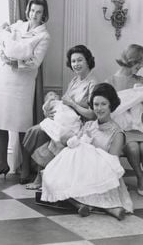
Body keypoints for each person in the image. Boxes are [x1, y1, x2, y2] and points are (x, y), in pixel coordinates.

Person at [41, 83, 133, 221]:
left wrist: (89, 151)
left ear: (111, 105)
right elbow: (75, 148)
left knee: (74, 184)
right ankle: (81, 205)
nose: (99, 108)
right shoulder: (89, 125)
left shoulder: (117, 133)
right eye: (96, 104)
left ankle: (106, 207)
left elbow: (112, 165)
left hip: (103, 174)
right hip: (83, 170)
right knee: (50, 177)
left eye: (103, 104)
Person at [21, 44, 97, 188]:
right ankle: (41, 173)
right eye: (73, 61)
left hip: (79, 125)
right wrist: (48, 112)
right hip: (64, 120)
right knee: (35, 131)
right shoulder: (74, 81)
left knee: (40, 132)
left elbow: (92, 114)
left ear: (88, 61)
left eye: (80, 60)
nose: (76, 64)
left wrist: (73, 105)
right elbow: (63, 103)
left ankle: (41, 176)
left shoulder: (92, 83)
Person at [0, 0, 50, 179]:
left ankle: (24, 165)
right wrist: (7, 52)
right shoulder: (17, 26)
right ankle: (1, 162)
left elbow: (34, 62)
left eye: (38, 12)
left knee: (22, 124)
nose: (34, 15)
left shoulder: (44, 36)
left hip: (23, 82)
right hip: (5, 78)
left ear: (43, 15)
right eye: (32, 10)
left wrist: (14, 60)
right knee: (1, 119)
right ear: (28, 11)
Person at [106, 44, 143, 197]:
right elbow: (108, 105)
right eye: (140, 62)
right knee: (132, 148)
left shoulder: (141, 80)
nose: (141, 66)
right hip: (122, 125)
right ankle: (140, 178)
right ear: (131, 60)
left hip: (139, 123)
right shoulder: (110, 81)